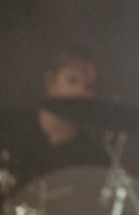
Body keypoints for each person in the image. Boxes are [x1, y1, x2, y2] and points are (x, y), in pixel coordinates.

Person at [0, 49, 108, 193]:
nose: (79, 92)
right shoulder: (7, 125)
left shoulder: (94, 156)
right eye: (72, 81)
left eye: (88, 87)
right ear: (49, 81)